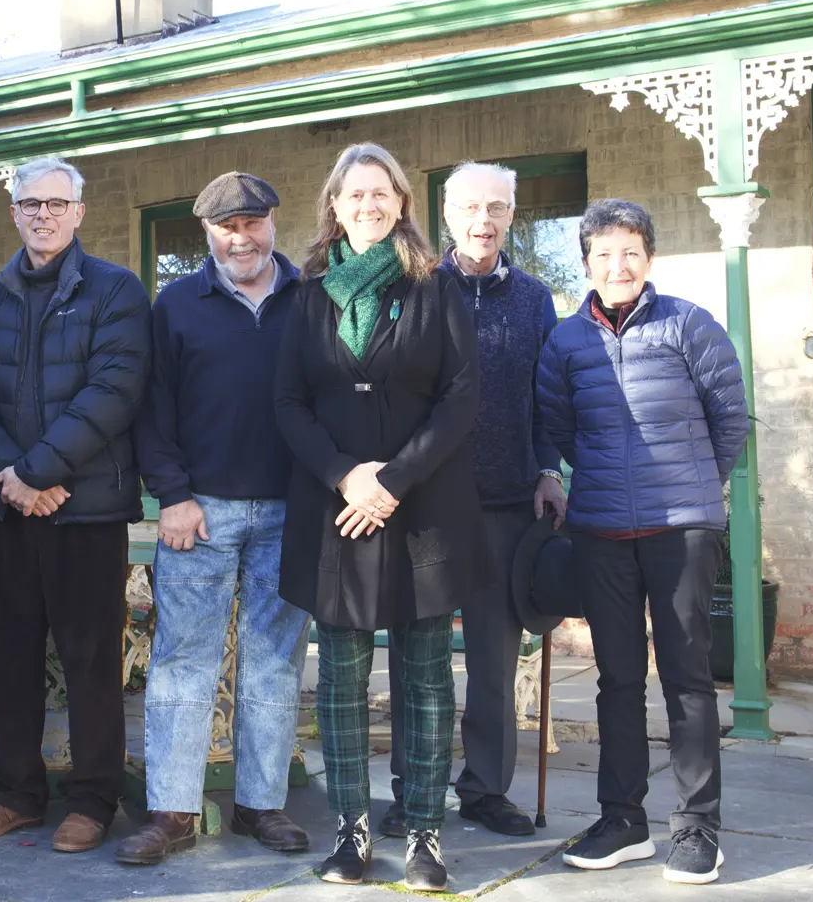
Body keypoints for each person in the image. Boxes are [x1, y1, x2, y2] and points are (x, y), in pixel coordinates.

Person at [274, 142, 481, 894]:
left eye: (381, 193)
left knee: (426, 680)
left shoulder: (438, 288)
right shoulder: (306, 296)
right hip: (336, 511)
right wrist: (344, 476)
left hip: (423, 504)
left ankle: (424, 834)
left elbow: (461, 399)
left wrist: (391, 480)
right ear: (334, 206)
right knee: (341, 682)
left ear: (401, 204)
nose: (368, 205)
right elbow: (288, 404)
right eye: (354, 194)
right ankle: (350, 832)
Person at [535, 198, 748, 886]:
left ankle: (697, 827)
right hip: (601, 529)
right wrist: (601, 483)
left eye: (630, 252)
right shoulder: (567, 341)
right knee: (618, 680)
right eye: (603, 255)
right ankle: (623, 820)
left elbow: (730, 419)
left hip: (681, 530)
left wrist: (692, 487)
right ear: (588, 264)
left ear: (648, 259)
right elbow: (559, 426)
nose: (617, 265)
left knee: (687, 679)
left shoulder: (689, 324)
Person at [0, 156, 151, 854]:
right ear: (14, 213)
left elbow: (113, 392)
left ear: (78, 213)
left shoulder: (116, 291)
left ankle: (93, 800)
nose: (43, 214)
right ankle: (17, 794)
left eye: (56, 203)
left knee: (91, 659)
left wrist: (37, 471)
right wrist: (14, 478)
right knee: (8, 657)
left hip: (86, 511)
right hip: (12, 512)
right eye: (30, 203)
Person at [118, 171, 311, 866]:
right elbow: (153, 407)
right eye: (227, 226)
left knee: (273, 666)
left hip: (291, 511)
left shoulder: (308, 298)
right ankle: (172, 810)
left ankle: (263, 805)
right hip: (199, 512)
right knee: (181, 664)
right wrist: (171, 494)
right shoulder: (176, 305)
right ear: (207, 232)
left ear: (272, 224)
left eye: (253, 222)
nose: (242, 237)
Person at [382, 161, 566, 840]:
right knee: (418, 657)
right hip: (428, 503)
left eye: (497, 208)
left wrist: (549, 468)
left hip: (507, 503)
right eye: (470, 208)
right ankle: (414, 789)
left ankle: (486, 789)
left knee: (494, 659)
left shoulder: (537, 300)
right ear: (447, 215)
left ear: (512, 215)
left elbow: (548, 399)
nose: (483, 221)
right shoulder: (416, 289)